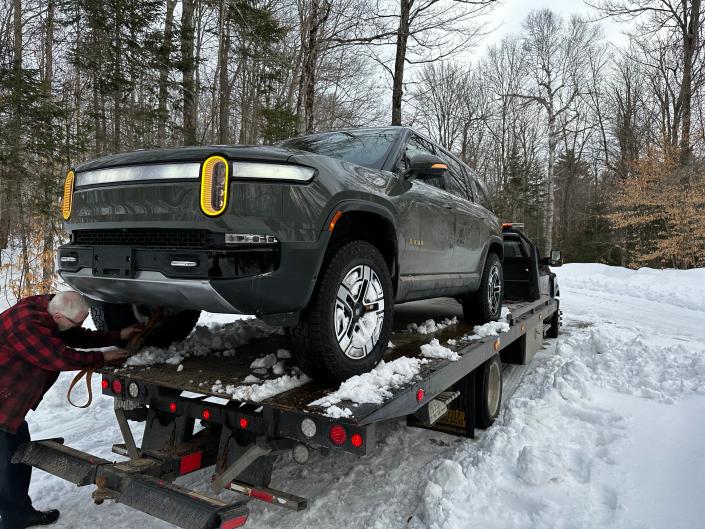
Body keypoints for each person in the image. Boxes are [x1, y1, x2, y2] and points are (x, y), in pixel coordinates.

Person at [0, 291, 143, 529]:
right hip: (3, 403)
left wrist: (117, 335)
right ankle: (15, 517)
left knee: (14, 454)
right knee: (11, 461)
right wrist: (103, 357)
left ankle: (16, 510)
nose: (79, 327)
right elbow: (59, 357)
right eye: (77, 322)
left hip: (8, 401)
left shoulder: (45, 307)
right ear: (57, 315)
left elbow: (72, 334)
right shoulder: (26, 326)